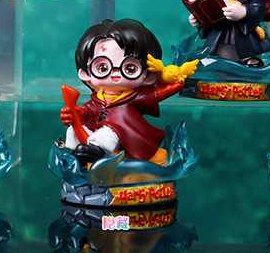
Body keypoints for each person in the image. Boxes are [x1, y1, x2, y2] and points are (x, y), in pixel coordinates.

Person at [60, 19, 198, 166]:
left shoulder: (134, 97)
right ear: (86, 74)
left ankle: (98, 152)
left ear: (148, 76)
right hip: (95, 126)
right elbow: (90, 110)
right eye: (103, 68)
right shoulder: (98, 97)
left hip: (122, 131)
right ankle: (79, 155)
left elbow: (158, 93)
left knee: (108, 134)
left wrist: (177, 84)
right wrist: (78, 113)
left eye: (130, 68)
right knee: (73, 130)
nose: (115, 74)